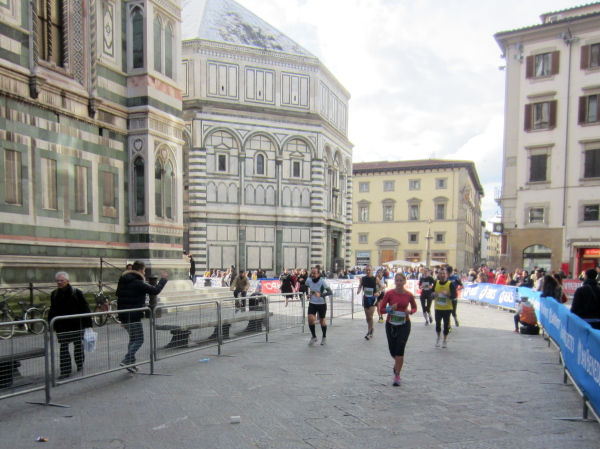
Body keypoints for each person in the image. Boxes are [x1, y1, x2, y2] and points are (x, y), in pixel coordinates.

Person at [116, 261, 168, 372]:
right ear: (140, 270)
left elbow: (119, 299)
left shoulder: (123, 281)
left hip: (125, 315)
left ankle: (131, 363)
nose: (144, 273)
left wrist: (121, 318)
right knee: (139, 339)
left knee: (133, 339)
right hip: (134, 315)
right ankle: (127, 359)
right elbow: (155, 290)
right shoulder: (137, 282)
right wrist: (163, 279)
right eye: (144, 270)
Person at [48, 272, 93, 380]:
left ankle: (79, 363)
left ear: (67, 281)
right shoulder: (54, 294)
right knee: (63, 347)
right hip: (62, 326)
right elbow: (52, 310)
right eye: (58, 280)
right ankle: (65, 370)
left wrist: (88, 324)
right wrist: (51, 324)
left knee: (78, 345)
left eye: (62, 280)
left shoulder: (76, 292)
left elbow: (85, 308)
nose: (59, 282)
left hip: (76, 325)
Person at [378, 272, 417, 386]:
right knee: (392, 350)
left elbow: (414, 307)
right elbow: (381, 309)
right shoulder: (389, 294)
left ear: (405, 282)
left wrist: (410, 311)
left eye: (401, 280)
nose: (399, 283)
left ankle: (397, 375)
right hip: (391, 324)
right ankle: (398, 363)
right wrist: (390, 309)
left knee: (400, 350)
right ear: (394, 282)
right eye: (397, 280)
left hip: (404, 324)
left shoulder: (409, 295)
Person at [306, 267, 332, 346]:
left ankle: (324, 337)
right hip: (312, 303)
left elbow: (330, 292)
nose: (312, 275)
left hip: (321, 304)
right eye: (312, 273)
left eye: (314, 273)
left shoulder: (322, 281)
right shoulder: (309, 280)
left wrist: (320, 295)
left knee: (322, 321)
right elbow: (305, 286)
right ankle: (314, 337)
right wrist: (307, 294)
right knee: (310, 319)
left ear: (318, 274)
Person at [432, 268, 457, 348]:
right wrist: (433, 295)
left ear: (446, 274)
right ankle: (438, 337)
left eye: (443, 273)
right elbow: (431, 294)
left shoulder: (450, 284)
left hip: (447, 308)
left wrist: (447, 294)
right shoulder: (436, 283)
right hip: (438, 308)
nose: (442, 275)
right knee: (437, 324)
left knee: (446, 325)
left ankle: (445, 340)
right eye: (440, 273)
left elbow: (454, 296)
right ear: (438, 275)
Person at [356, 266, 380, 340]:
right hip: (365, 298)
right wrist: (359, 290)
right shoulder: (362, 279)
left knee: (370, 316)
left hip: (372, 299)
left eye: (369, 270)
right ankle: (371, 328)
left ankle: (369, 332)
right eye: (367, 270)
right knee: (367, 317)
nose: (368, 271)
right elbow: (360, 286)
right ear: (365, 271)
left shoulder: (375, 279)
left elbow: (381, 287)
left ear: (372, 270)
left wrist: (378, 292)